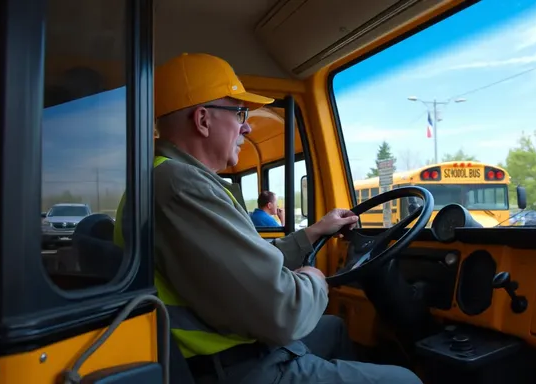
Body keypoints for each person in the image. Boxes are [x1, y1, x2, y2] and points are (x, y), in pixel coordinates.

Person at [119, 52, 422, 384]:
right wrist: (315, 281)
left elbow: (238, 264)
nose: (247, 126)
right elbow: (284, 312)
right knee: (406, 380)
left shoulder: (161, 179)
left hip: (226, 349)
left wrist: (313, 233)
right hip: (233, 367)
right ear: (203, 120)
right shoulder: (180, 186)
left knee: (334, 328)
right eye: (239, 112)